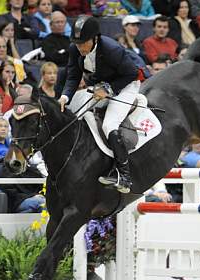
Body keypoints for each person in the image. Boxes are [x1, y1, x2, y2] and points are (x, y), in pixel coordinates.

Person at [59, 16, 142, 193]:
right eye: (77, 43)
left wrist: (109, 89)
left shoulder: (112, 49)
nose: (80, 47)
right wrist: (65, 97)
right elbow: (73, 76)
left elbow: (132, 74)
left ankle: (124, 175)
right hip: (101, 84)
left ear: (95, 38)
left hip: (126, 85)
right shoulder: (75, 48)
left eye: (83, 43)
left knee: (109, 124)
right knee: (75, 112)